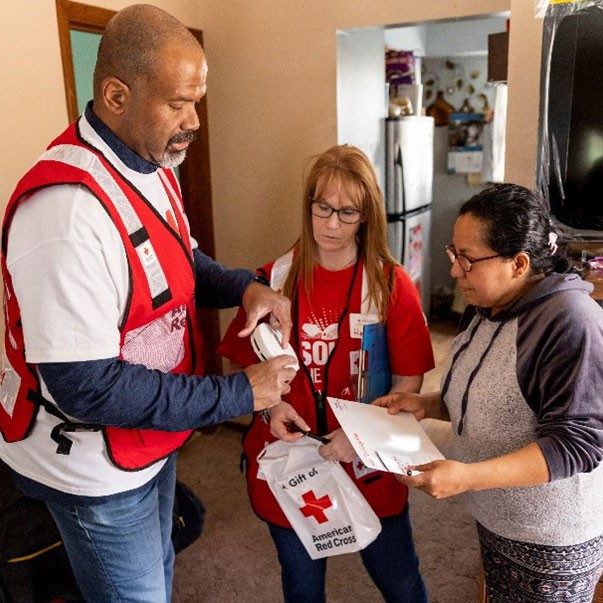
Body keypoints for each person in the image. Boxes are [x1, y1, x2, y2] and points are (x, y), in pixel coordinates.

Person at [0, 5, 296, 602]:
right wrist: (241, 393)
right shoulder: (66, 215)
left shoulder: (152, 163)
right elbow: (85, 386)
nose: (194, 121)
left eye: (198, 101)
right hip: (89, 459)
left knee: (158, 563)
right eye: (178, 104)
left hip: (149, 431)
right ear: (115, 95)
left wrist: (244, 286)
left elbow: (177, 262)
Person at [219, 144, 435, 602]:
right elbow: (238, 360)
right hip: (290, 466)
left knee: (400, 583)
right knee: (302, 586)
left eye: (348, 212)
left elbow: (409, 387)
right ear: (309, 206)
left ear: (367, 216)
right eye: (322, 208)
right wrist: (272, 405)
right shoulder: (271, 279)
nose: (332, 225)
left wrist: (358, 440)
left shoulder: (392, 286)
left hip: (368, 464)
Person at [375, 184, 603, 602]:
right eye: (453, 253)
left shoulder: (571, 322)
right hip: (499, 517)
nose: (454, 271)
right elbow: (489, 394)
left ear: (519, 263)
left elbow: (578, 444)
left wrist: (467, 476)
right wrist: (426, 404)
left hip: (549, 538)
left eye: (468, 259)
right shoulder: (486, 306)